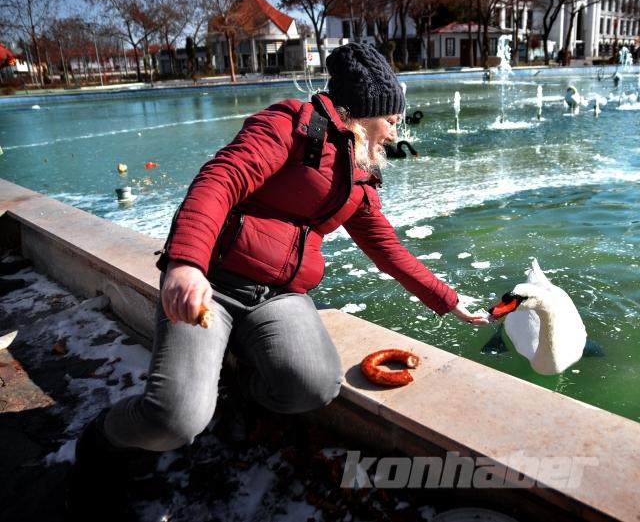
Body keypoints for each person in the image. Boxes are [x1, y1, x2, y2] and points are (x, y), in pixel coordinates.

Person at [67, 42, 489, 519]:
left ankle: (237, 386)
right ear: (368, 110)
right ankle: (101, 439)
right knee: (174, 419)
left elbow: (387, 250)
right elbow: (219, 180)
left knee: (315, 385)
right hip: (215, 282)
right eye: (393, 115)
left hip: (281, 295)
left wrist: (448, 300)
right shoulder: (291, 123)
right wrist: (186, 263)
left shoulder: (363, 177)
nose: (399, 127)